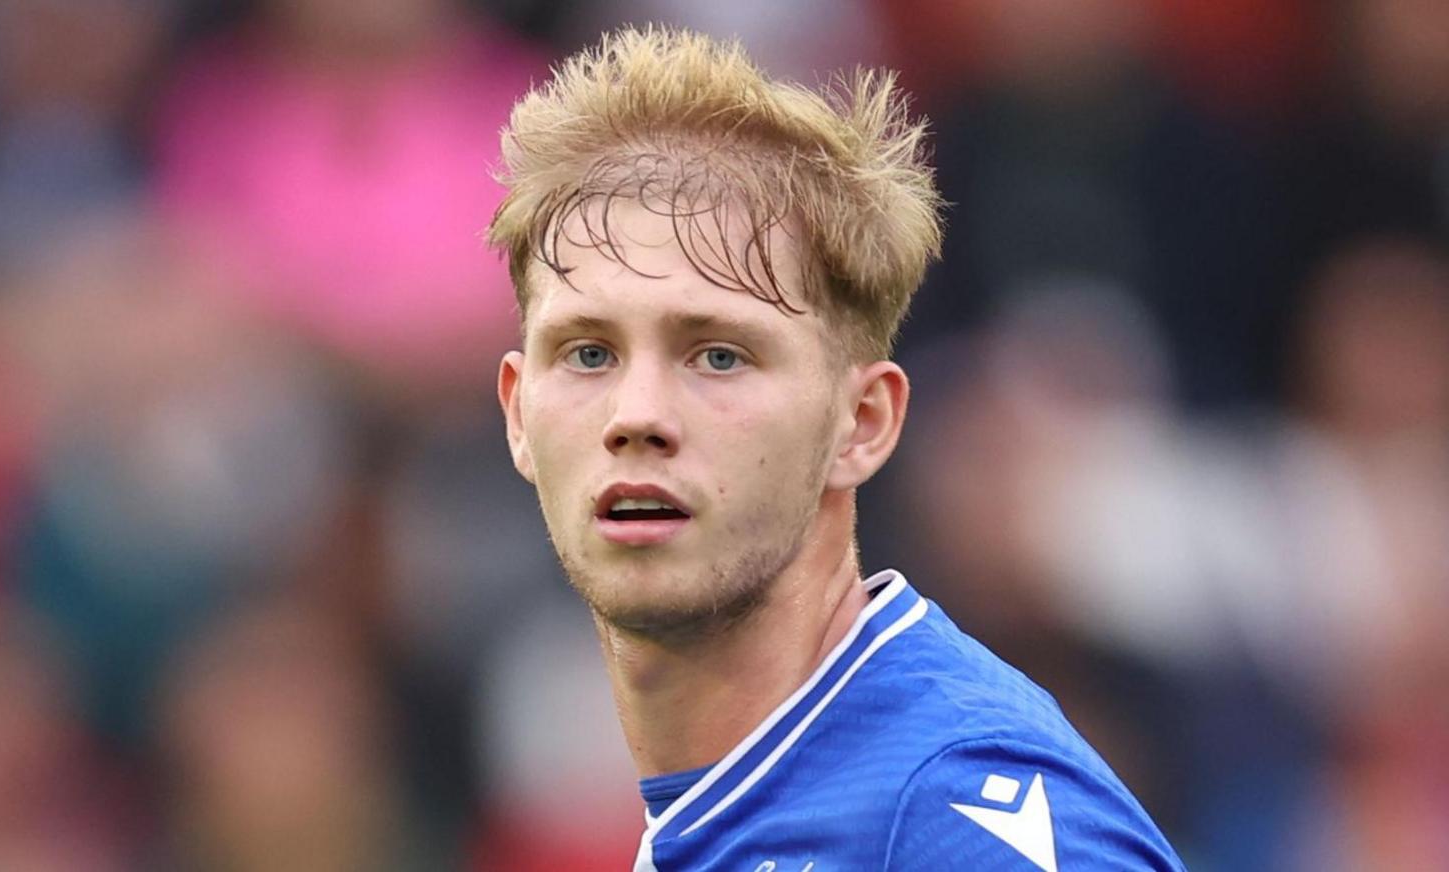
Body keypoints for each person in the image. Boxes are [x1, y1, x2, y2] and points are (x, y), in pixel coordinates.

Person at [488, 25, 1185, 871]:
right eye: (589, 353)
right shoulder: (732, 805)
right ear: (520, 414)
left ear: (862, 424)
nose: (637, 415)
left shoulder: (956, 816)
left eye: (719, 355)